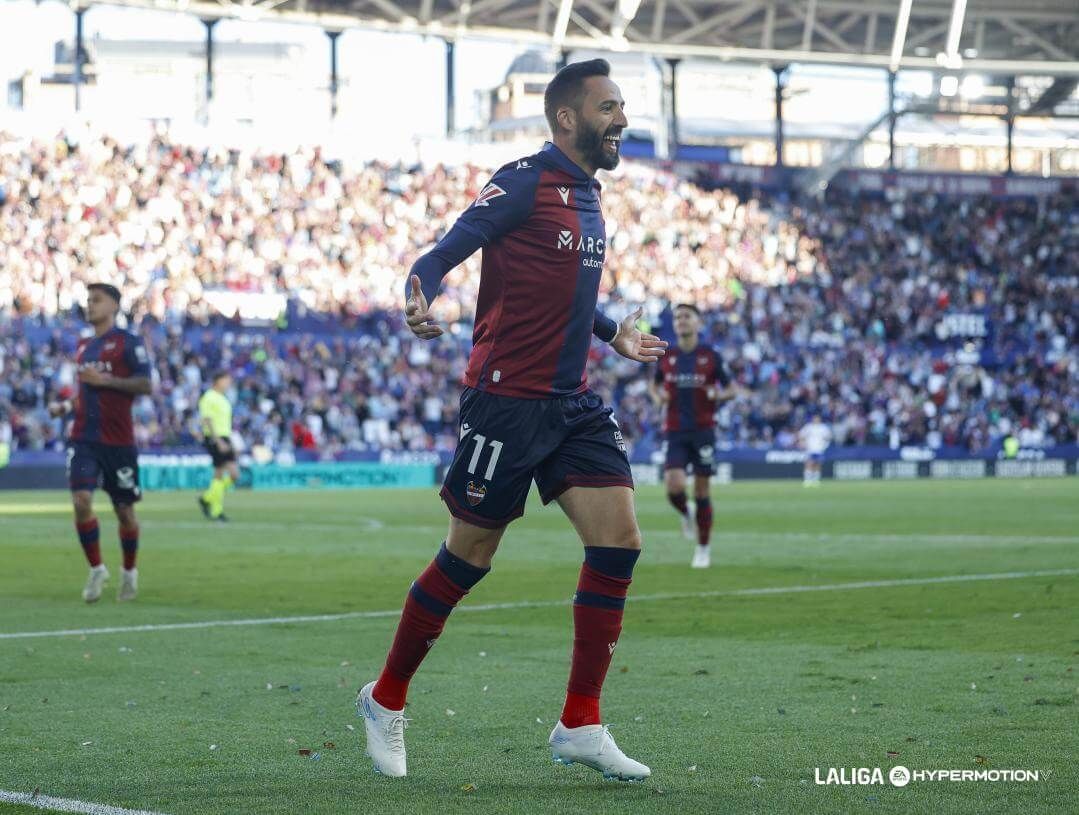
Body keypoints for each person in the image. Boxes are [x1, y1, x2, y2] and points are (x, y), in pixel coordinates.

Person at [357, 59, 667, 782]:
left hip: (572, 402)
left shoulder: (589, 194)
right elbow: (442, 253)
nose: (621, 119)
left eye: (622, 106)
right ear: (566, 117)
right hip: (506, 401)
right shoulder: (523, 180)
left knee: (618, 543)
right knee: (467, 558)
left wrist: (611, 332)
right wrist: (419, 296)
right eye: (608, 107)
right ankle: (385, 697)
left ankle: (580, 722)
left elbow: (561, 290)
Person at [48, 283, 153, 602]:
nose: (90, 305)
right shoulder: (84, 346)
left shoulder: (128, 343)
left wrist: (106, 380)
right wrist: (65, 407)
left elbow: (146, 384)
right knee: (81, 501)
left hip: (118, 441)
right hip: (84, 438)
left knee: (125, 512)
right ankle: (96, 569)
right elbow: (85, 393)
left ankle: (129, 572)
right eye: (88, 300)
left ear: (114, 306)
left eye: (97, 300)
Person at [648, 304, 737, 568]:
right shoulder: (668, 356)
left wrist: (718, 394)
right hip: (675, 431)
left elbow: (732, 389)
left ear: (699, 323)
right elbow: (654, 385)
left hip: (703, 431)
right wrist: (658, 398)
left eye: (687, 316)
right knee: (674, 488)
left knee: (701, 491)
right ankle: (687, 513)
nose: (681, 320)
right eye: (677, 317)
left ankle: (703, 549)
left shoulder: (711, 356)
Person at [197, 371, 238, 522]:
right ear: (218, 380)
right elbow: (206, 420)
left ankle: (207, 498)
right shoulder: (209, 397)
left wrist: (229, 440)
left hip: (225, 436)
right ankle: (216, 510)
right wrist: (218, 441)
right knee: (224, 472)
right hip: (215, 437)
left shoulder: (223, 398)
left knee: (227, 475)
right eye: (226, 380)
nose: (228, 383)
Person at [799, 413, 832, 486]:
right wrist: (802, 443)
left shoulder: (823, 428)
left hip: (819, 449)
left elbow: (829, 436)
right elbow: (801, 435)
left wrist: (825, 443)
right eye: (815, 418)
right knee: (809, 463)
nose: (816, 420)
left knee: (818, 464)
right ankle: (807, 480)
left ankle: (816, 480)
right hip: (810, 449)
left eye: (817, 418)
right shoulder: (808, 427)